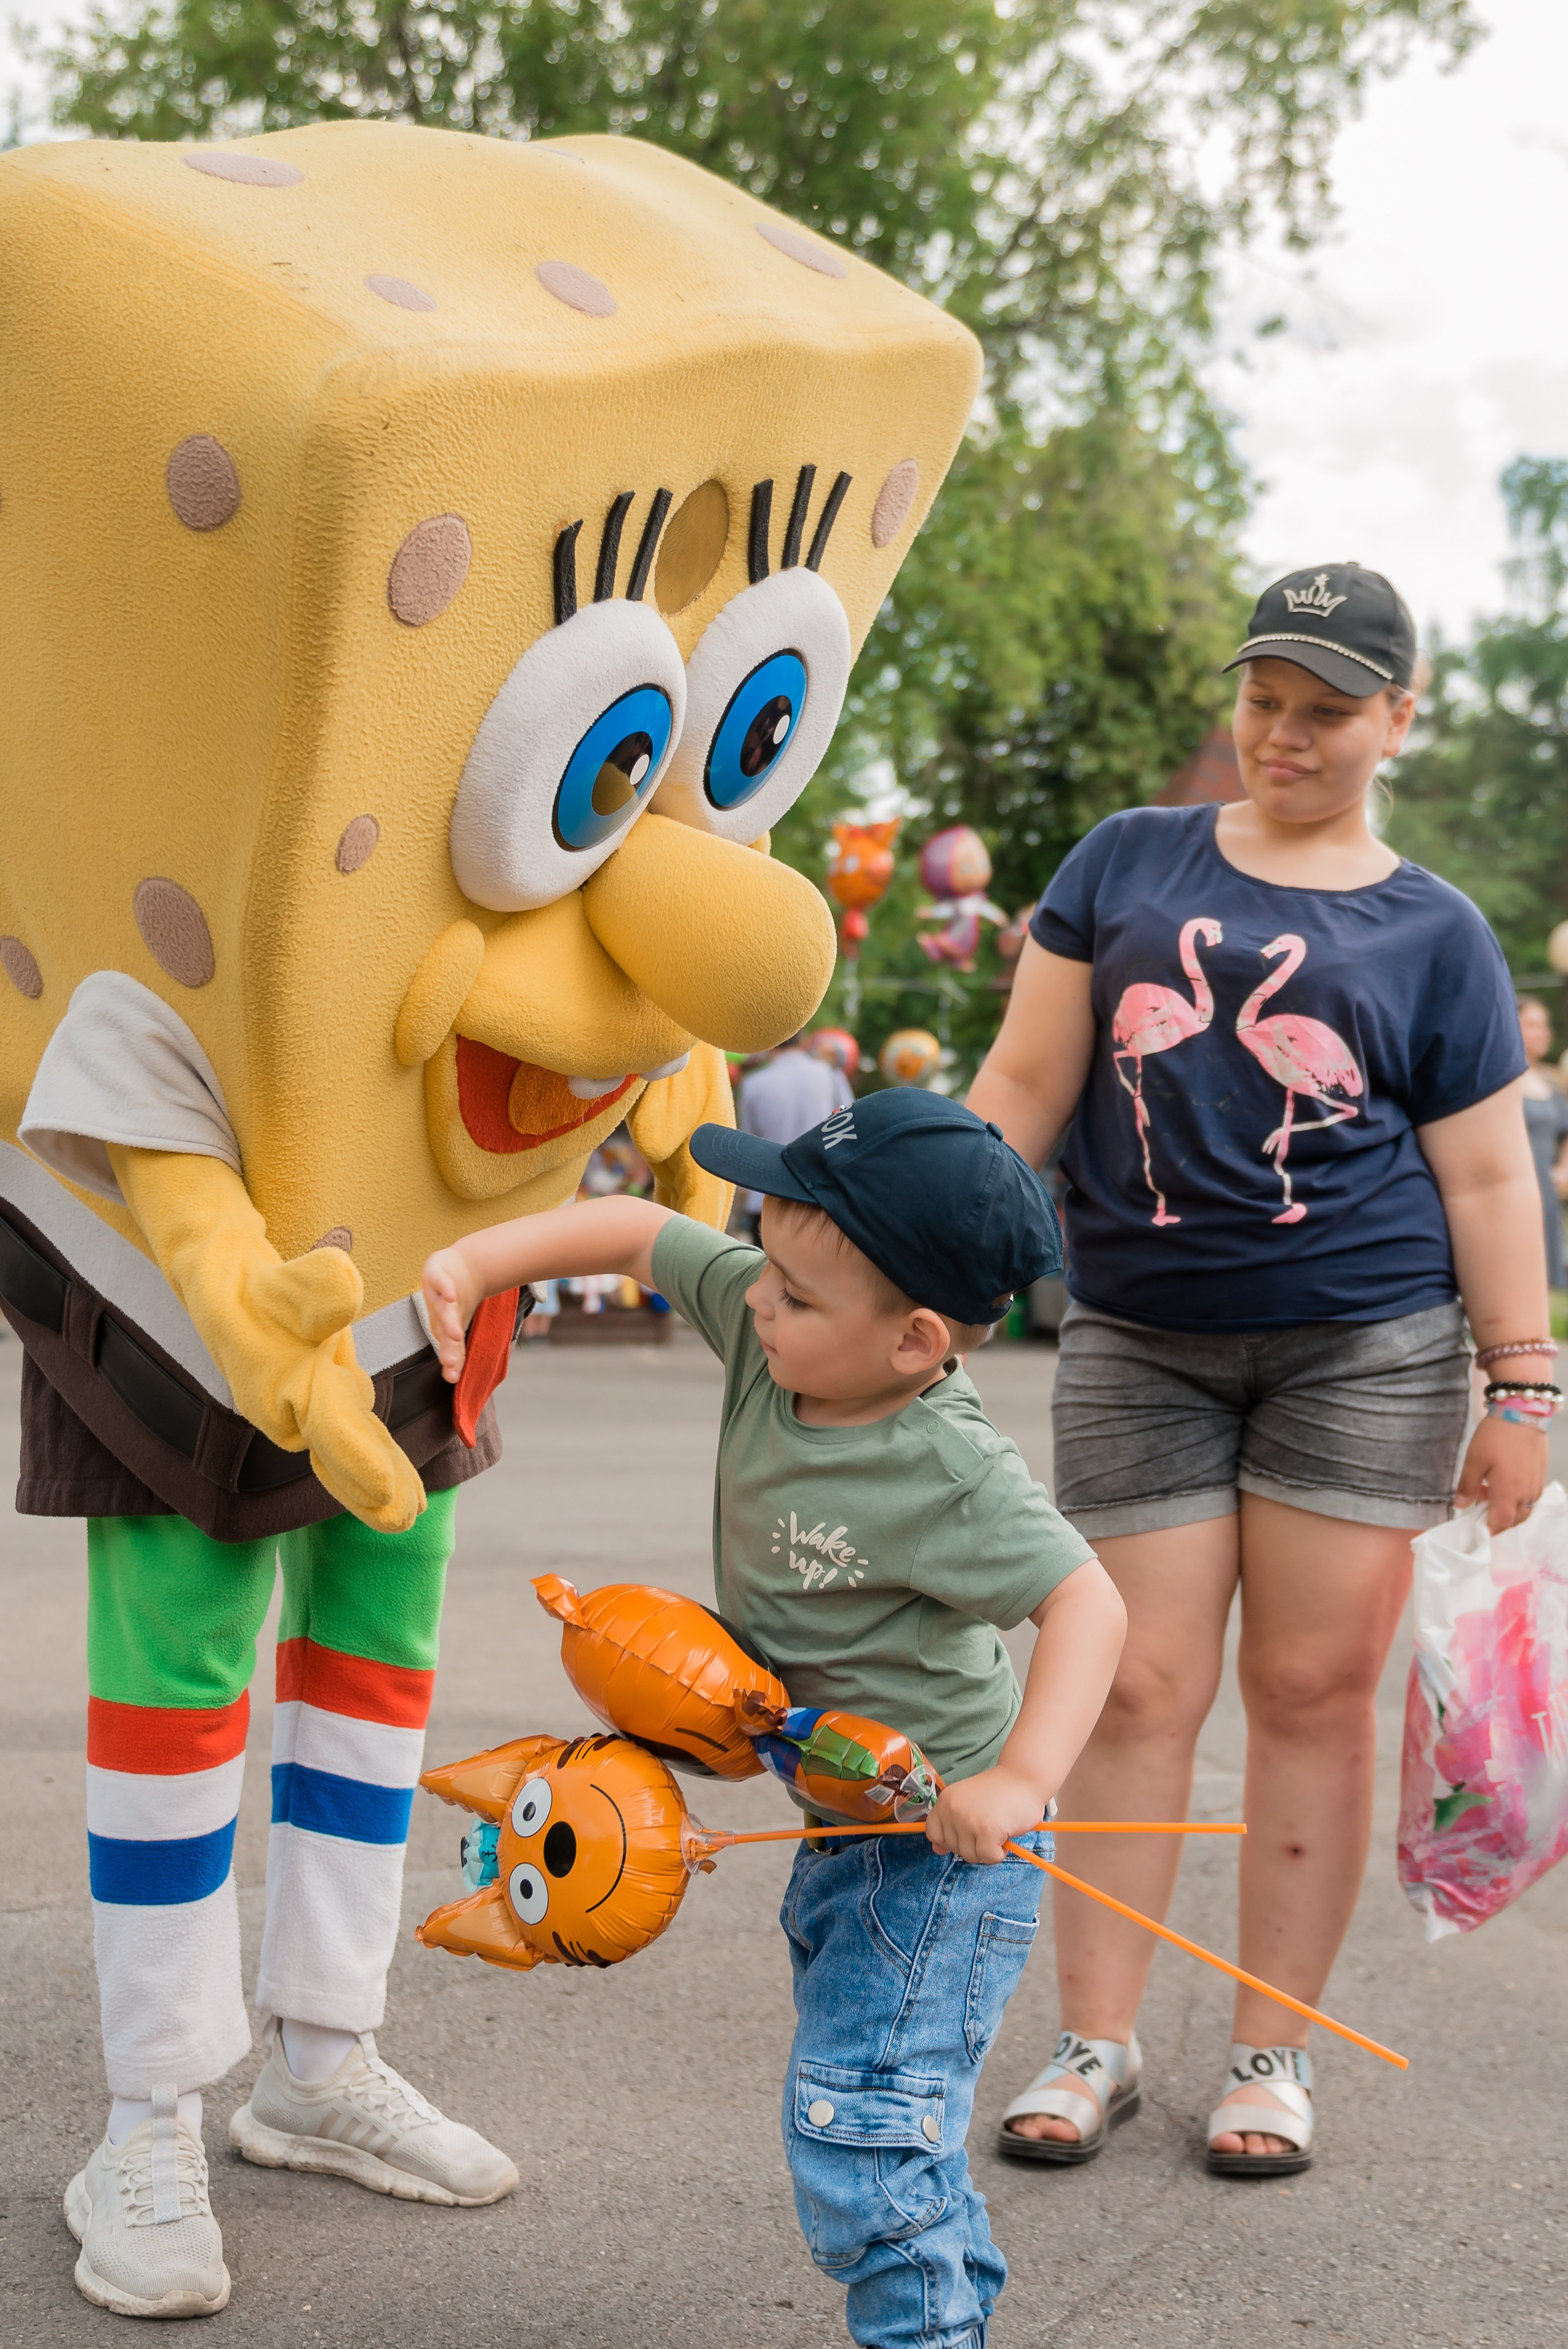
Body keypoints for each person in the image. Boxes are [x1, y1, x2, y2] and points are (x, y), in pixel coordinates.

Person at [968, 563, 1553, 2177]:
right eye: (1262, 700)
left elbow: (1494, 1180)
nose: (1282, 734)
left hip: (1366, 1344)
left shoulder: (1434, 929)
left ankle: (1270, 2052)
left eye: (1324, 709)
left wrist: (1526, 1386)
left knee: (1310, 1690)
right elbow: (1027, 1075)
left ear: (1396, 720)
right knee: (1135, 1685)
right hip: (1140, 1334)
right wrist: (929, 1257)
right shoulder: (1126, 862)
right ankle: (1097, 2041)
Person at [423, 1092, 1126, 2349]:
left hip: (943, 1855)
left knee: (858, 2121)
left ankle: (922, 2334)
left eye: (795, 1294)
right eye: (763, 1255)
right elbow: (639, 1232)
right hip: (834, 1833)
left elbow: (1085, 1602)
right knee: (890, 2117)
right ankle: (945, 2314)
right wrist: (477, 1263)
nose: (755, 1297)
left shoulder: (950, 1470)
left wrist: (1019, 1780)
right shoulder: (771, 1332)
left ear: (913, 1341)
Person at [735, 1035, 853, 1233]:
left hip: (767, 1198)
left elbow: (747, 1143)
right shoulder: (829, 1074)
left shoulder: (753, 1084)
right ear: (804, 1041)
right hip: (821, 1195)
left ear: (767, 1044)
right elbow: (849, 1125)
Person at [1517, 996, 1568, 1289]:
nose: (1543, 1032)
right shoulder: (1501, 1079)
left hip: (1545, 1192)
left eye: (1545, 1026)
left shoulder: (1551, 1082)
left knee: (1547, 1275)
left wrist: (1562, 1169)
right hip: (1514, 1189)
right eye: (1533, 1024)